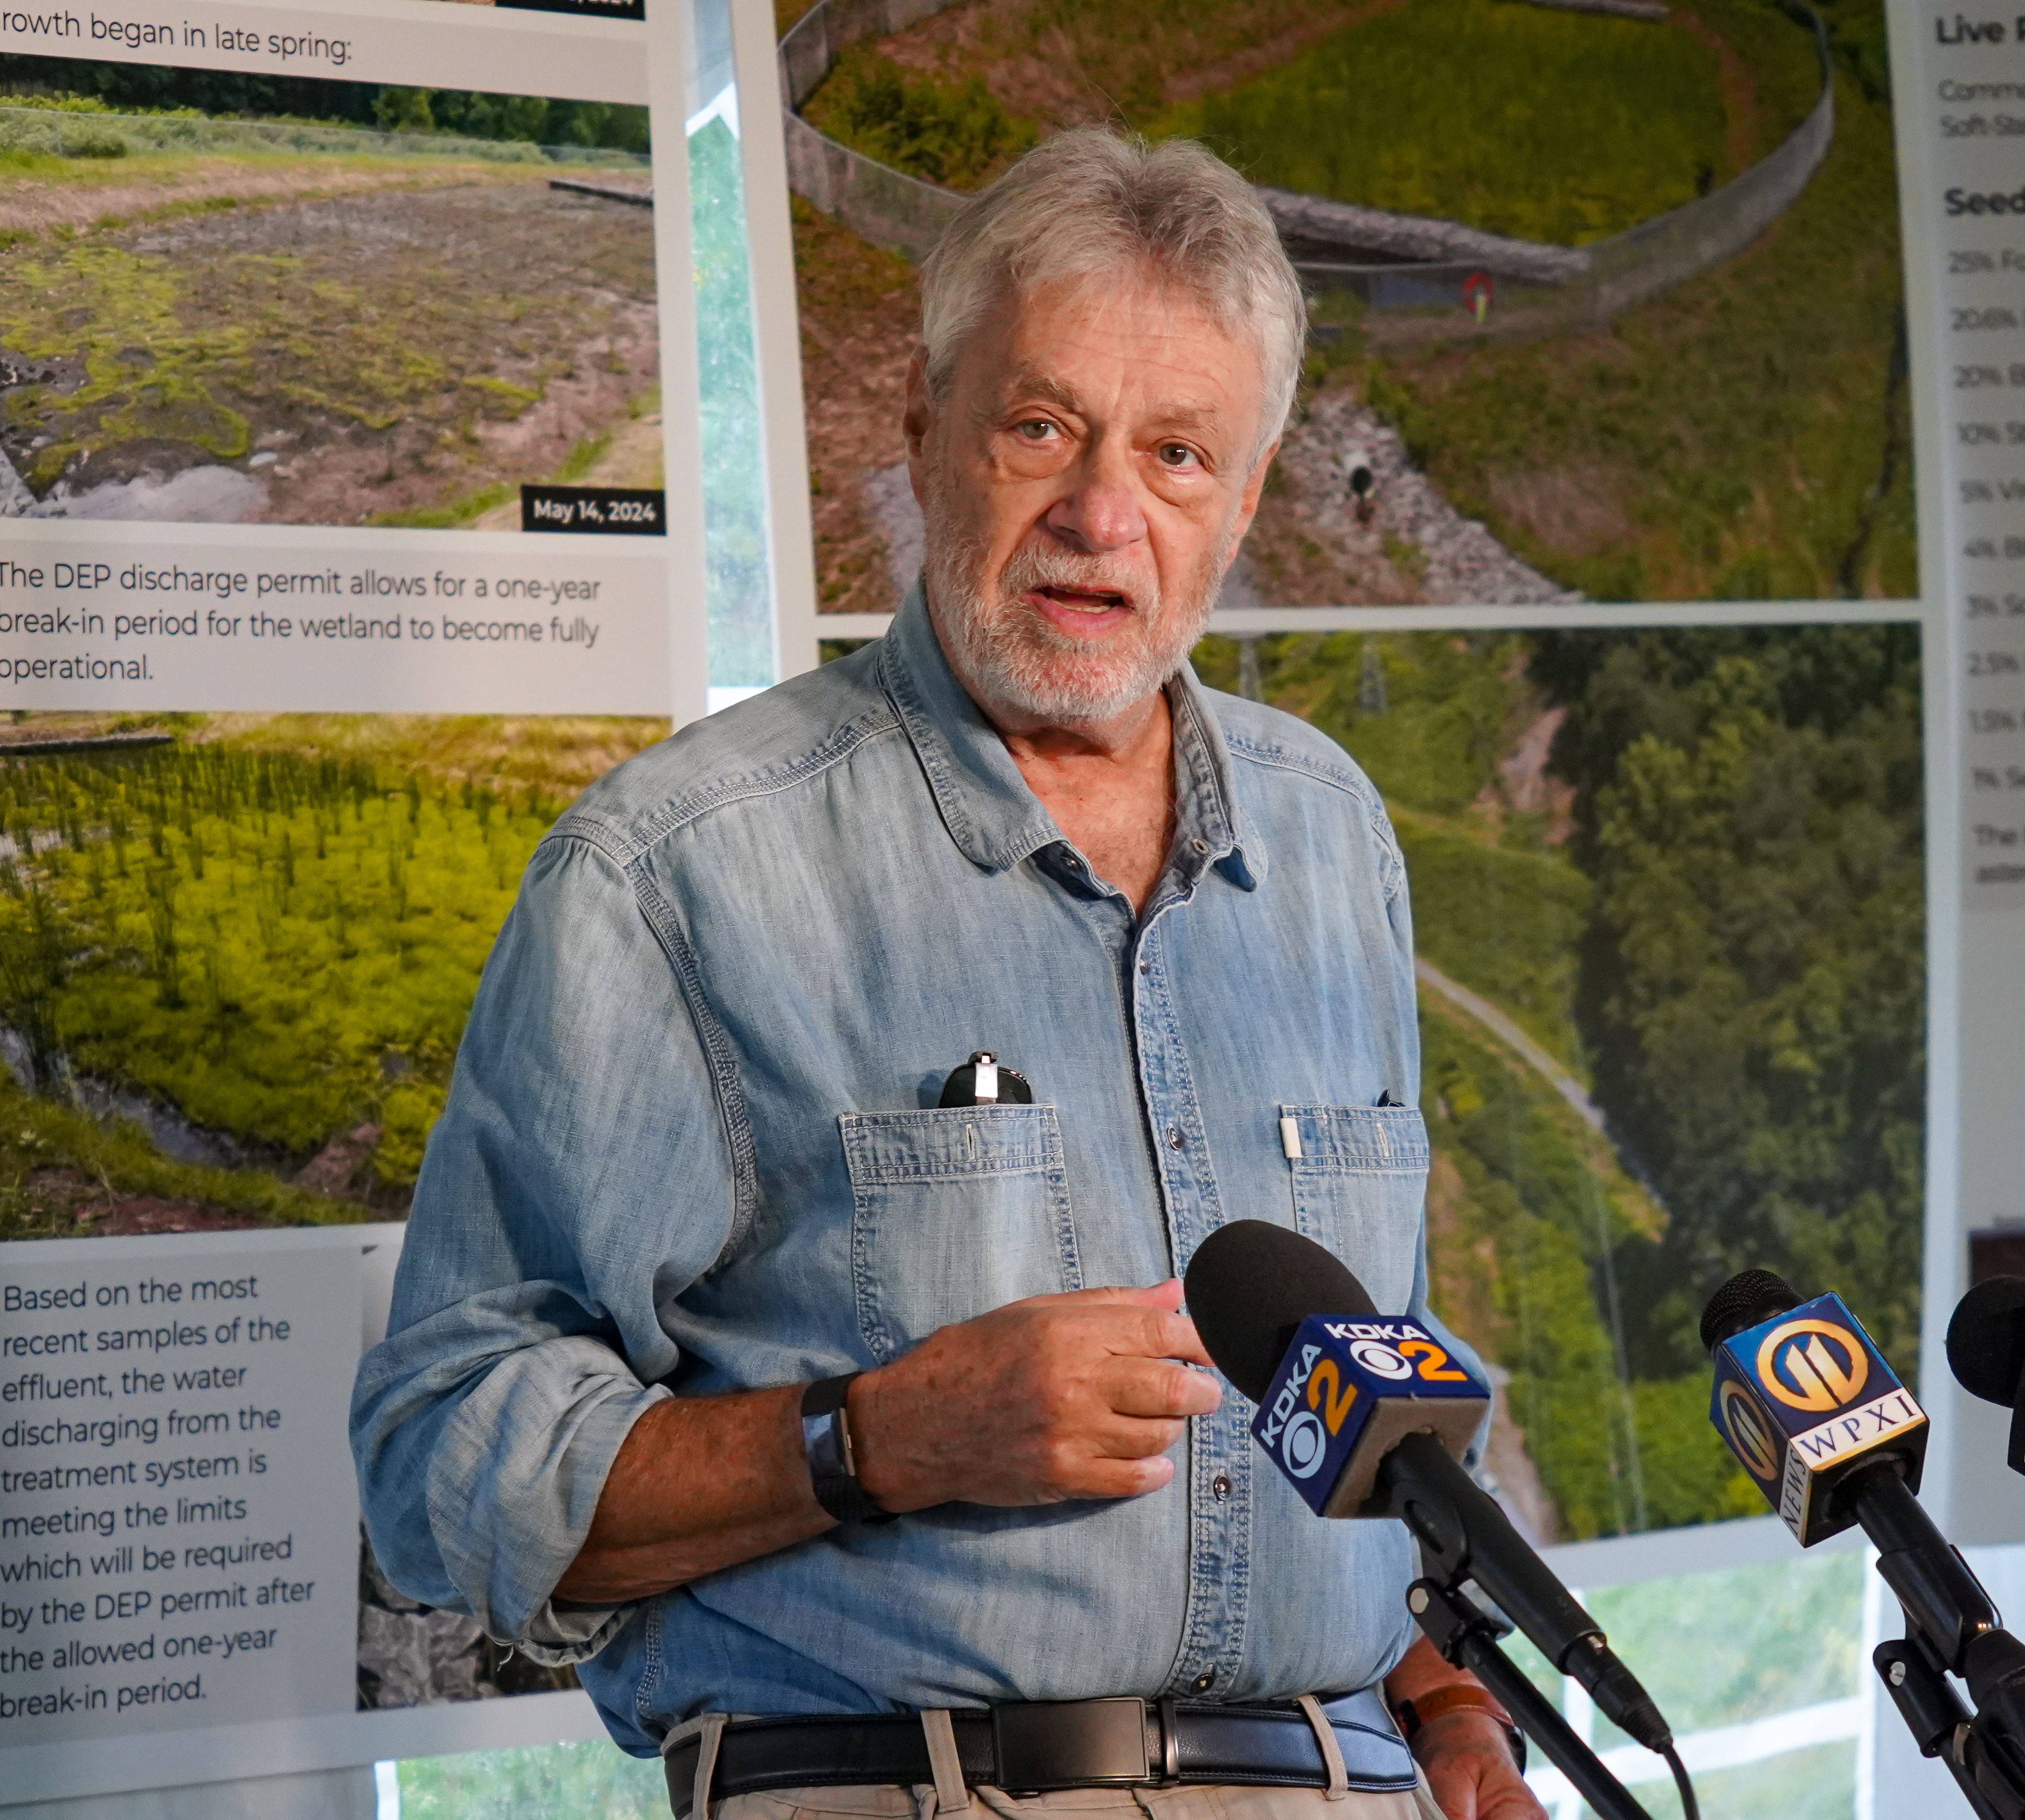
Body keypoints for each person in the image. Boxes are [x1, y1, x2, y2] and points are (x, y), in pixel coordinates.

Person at [352, 127, 1540, 1820]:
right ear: (922, 426)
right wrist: (884, 1437)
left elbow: (1381, 1398)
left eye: (1180, 453)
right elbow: (437, 1459)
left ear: (1249, 496)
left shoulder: (1334, 839)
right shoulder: (678, 866)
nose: (1100, 515)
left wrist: (1452, 1711)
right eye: (1042, 424)